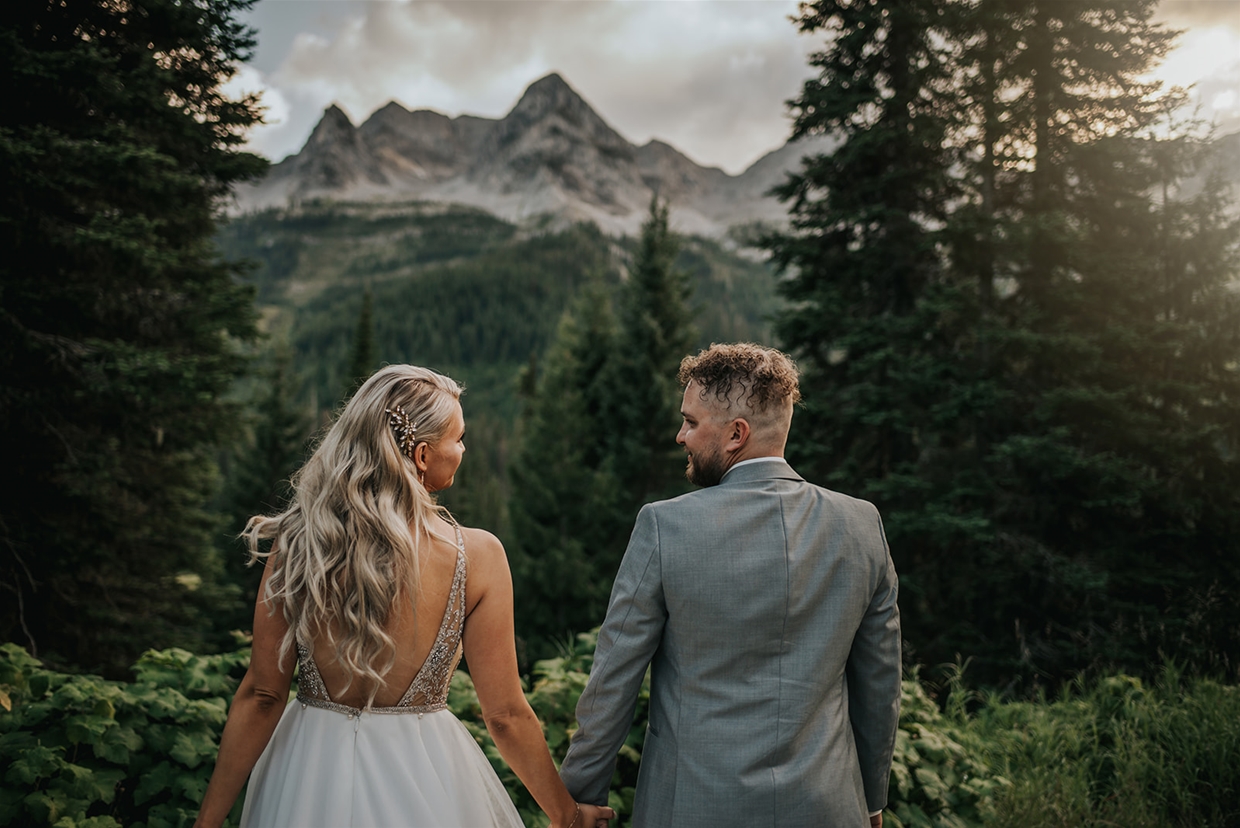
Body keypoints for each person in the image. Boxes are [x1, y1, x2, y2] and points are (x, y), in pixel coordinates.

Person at [194, 365, 615, 828]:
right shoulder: (477, 555)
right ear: (420, 454)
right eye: (458, 438)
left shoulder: (300, 541)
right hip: (424, 776)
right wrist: (567, 815)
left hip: (309, 773)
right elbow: (506, 716)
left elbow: (262, 694)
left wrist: (207, 822)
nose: (464, 449)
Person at [559, 343, 902, 827]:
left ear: (736, 434)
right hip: (827, 808)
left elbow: (613, 680)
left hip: (693, 809)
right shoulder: (862, 525)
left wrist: (579, 797)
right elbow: (879, 685)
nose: (681, 436)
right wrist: (869, 801)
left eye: (692, 422)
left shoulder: (664, 527)